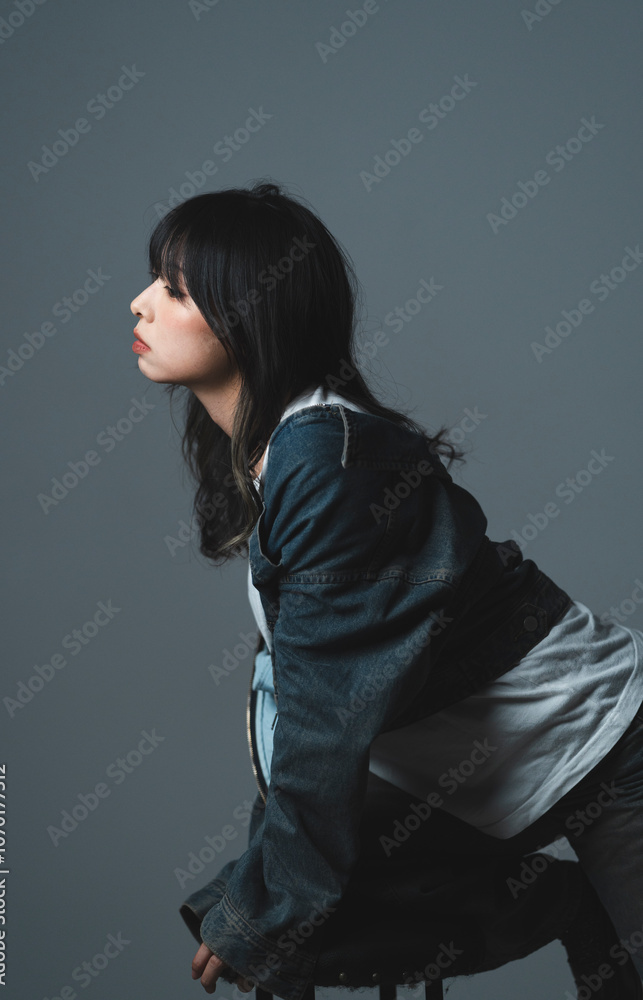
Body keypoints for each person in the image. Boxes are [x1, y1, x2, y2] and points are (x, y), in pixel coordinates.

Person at [129, 180, 643, 1000]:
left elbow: (327, 720)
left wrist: (266, 915)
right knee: (273, 903)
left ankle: (575, 915)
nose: (140, 303)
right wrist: (259, 899)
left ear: (252, 315)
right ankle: (561, 905)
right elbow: (295, 697)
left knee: (271, 911)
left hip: (609, 747)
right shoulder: (280, 455)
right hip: (481, 784)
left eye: (175, 290)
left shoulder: (326, 463)